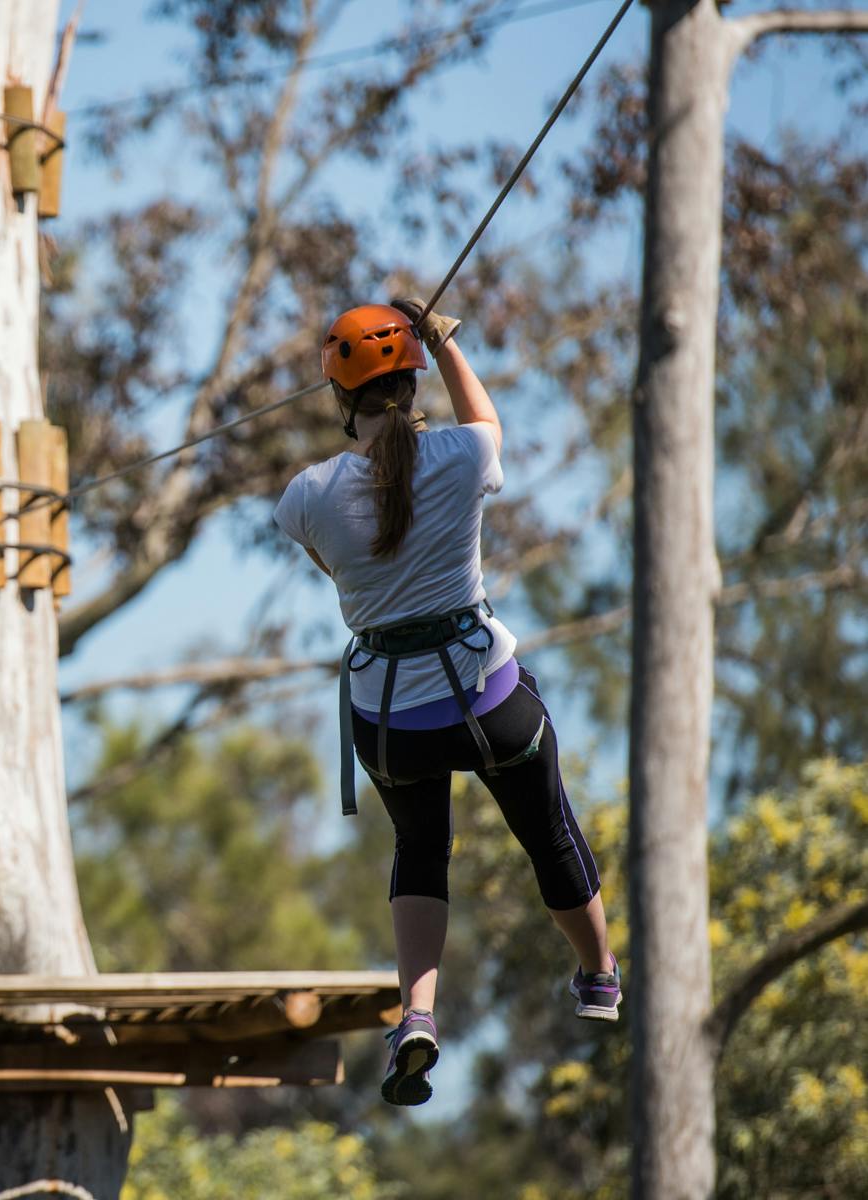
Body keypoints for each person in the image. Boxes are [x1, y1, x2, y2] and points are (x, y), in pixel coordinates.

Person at [273, 300, 620, 1108]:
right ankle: (599, 975)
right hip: (484, 699)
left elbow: (340, 571)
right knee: (548, 832)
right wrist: (446, 342)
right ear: (413, 382)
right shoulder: (462, 457)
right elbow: (487, 423)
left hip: (391, 722)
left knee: (421, 849)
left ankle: (418, 1015)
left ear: (340, 398)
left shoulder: (307, 495)